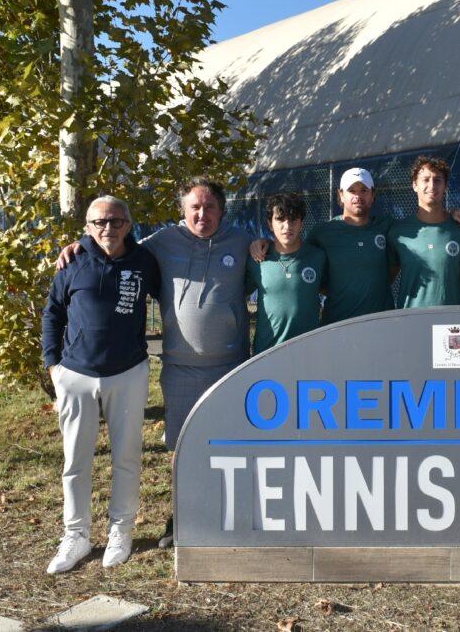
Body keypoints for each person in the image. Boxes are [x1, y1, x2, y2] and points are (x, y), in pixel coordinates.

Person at [57, 177, 252, 548]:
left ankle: (230, 516)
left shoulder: (242, 241)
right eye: (194, 206)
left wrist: (263, 245)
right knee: (183, 447)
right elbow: (114, 248)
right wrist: (80, 245)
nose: (202, 214)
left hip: (231, 365)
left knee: (229, 445)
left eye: (210, 207)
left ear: (222, 210)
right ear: (183, 210)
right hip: (179, 367)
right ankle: (182, 519)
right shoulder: (162, 243)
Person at [42, 196, 161, 572]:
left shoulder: (144, 261)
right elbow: (53, 314)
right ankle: (75, 536)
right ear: (88, 226)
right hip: (75, 376)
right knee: (76, 461)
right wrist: (53, 367)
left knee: (126, 457)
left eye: (115, 221)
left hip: (128, 373)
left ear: (128, 224)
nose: (107, 228)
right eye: (99, 222)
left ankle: (120, 531)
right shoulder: (73, 260)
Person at [250, 167, 460, 321]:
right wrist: (265, 242)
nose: (358, 196)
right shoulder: (323, 232)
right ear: (340, 196)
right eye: (352, 191)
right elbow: (295, 252)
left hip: (382, 322)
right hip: (337, 322)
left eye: (364, 191)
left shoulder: (389, 227)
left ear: (373, 195)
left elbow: (426, 223)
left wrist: (453, 213)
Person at [388, 156, 460, 307]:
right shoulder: (398, 232)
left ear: (446, 186)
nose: (432, 185)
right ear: (414, 185)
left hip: (449, 325)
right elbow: (386, 280)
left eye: (438, 180)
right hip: (409, 321)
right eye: (426, 179)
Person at [246, 192, 327, 354]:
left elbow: (329, 290)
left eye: (293, 219)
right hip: (267, 352)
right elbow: (237, 296)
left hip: (309, 351)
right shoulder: (257, 260)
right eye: (280, 219)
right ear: (270, 224)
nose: (287, 226)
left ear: (302, 223)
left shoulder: (318, 257)